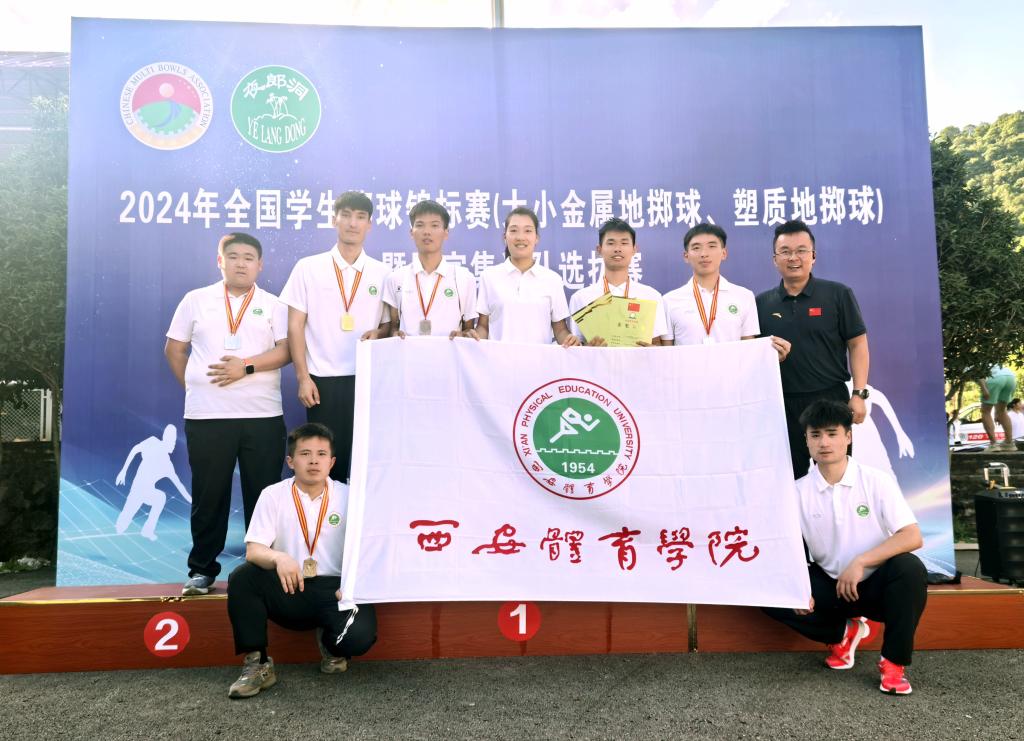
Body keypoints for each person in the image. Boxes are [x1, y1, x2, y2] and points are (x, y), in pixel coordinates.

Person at [762, 400, 927, 695]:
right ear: (806, 441)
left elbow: (912, 536)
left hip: (876, 587)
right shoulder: (797, 492)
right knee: (771, 585)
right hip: (832, 589)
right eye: (815, 435)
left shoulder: (876, 481)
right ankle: (844, 633)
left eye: (832, 433)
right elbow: (785, 548)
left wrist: (861, 561)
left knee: (910, 568)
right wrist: (796, 585)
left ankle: (893, 663)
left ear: (848, 436)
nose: (824, 443)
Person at [165, 232, 290, 595]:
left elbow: (286, 352)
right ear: (220, 261)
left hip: (262, 416)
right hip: (208, 417)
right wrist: (196, 387)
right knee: (210, 494)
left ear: (260, 265)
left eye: (248, 258)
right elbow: (174, 350)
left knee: (263, 496)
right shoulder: (196, 300)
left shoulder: (274, 304)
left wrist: (245, 366)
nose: (240, 263)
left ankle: (263, 568)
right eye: (232, 256)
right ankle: (202, 570)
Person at [226, 423, 377, 699]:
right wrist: (278, 557)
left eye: (321, 454)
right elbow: (254, 550)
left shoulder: (350, 497)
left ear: (332, 462)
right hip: (290, 587)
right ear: (290, 461)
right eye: (305, 454)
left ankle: (331, 646)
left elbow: (369, 549)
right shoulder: (273, 495)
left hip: (335, 590)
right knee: (243, 578)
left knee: (359, 638)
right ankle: (258, 664)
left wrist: (353, 584)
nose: (313, 461)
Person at [280, 191, 389, 483]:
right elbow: (295, 326)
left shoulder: (382, 273)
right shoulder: (308, 267)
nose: (353, 223)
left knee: (367, 462)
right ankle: (327, 512)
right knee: (326, 464)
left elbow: (389, 326)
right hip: (321, 380)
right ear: (334, 220)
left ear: (369, 224)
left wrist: (379, 332)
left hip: (367, 380)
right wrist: (303, 377)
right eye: (346, 215)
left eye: (360, 217)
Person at [756, 220, 869, 478]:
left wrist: (859, 393)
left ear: (813, 256)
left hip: (830, 398)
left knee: (834, 475)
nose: (793, 258)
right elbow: (753, 355)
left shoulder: (838, 294)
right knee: (789, 478)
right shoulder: (761, 303)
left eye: (801, 250)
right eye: (785, 251)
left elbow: (858, 343)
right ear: (775, 259)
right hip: (782, 403)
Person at [663, 223, 789, 360]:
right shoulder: (669, 301)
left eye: (712, 246)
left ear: (724, 253)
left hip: (733, 374)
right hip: (687, 374)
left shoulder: (744, 297)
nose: (704, 254)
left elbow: (748, 350)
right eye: (696, 248)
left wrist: (771, 356)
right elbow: (666, 354)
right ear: (686, 256)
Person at [470, 206, 578, 346]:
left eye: (528, 231)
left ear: (536, 238)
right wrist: (471, 338)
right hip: (499, 359)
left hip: (539, 359)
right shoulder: (489, 276)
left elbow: (560, 329)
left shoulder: (552, 279)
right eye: (514, 230)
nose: (520, 237)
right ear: (505, 237)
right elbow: (483, 327)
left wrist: (570, 340)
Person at [568, 217, 670, 347]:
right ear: (599, 250)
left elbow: (658, 344)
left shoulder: (651, 296)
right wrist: (590, 348)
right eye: (611, 243)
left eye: (624, 243)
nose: (617, 249)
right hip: (597, 361)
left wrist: (650, 349)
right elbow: (577, 347)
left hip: (638, 361)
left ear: (634, 249)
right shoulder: (580, 298)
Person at [383, 199, 477, 338]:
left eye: (434, 225)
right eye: (420, 225)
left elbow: (468, 329)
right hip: (409, 352)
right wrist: (395, 334)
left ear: (446, 232)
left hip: (449, 352)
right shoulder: (396, 278)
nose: (427, 232)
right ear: (411, 232)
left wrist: (463, 335)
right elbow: (393, 328)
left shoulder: (464, 278)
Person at [114, 424, 191, 542]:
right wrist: (123, 471)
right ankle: (119, 529)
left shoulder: (167, 465)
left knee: (160, 497)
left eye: (175, 442)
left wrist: (193, 502)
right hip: (137, 490)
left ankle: (147, 530)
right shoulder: (153, 442)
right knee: (122, 523)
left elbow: (180, 486)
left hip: (148, 492)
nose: (174, 445)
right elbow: (135, 449)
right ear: (166, 438)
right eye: (173, 441)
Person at [979, 365, 1017, 451]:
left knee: (985, 411)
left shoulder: (966, 360)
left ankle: (993, 444)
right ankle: (1009, 443)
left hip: (995, 378)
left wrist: (984, 389)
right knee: (1002, 411)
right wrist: (996, 413)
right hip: (1010, 378)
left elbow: (979, 374)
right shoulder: (991, 358)